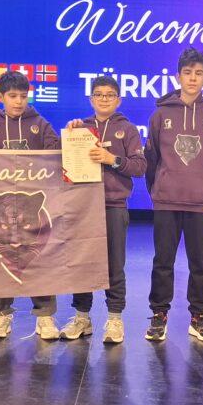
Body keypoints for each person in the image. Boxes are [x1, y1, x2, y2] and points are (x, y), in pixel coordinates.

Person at [144, 48, 203, 342]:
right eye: (187, 73)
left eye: (198, 73)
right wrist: (158, 190)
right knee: (162, 261)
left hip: (201, 202)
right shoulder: (161, 114)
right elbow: (151, 159)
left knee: (199, 263)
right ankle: (159, 315)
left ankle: (198, 316)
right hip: (167, 200)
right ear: (178, 76)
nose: (193, 78)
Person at [0, 70, 62, 340]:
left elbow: (55, 150)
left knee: (39, 260)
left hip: (33, 209)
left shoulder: (40, 124)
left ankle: (45, 316)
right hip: (3, 210)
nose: (18, 101)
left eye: (23, 96)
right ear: (1, 97)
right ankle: (2, 315)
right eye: (12, 96)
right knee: (0, 262)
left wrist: (69, 138)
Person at [61, 75, 147, 344]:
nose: (104, 99)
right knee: (82, 263)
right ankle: (82, 317)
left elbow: (140, 167)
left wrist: (112, 159)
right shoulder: (80, 128)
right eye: (99, 94)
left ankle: (115, 319)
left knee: (114, 265)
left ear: (118, 100)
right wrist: (71, 134)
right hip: (84, 206)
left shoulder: (128, 129)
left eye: (110, 95)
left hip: (114, 206)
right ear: (91, 99)